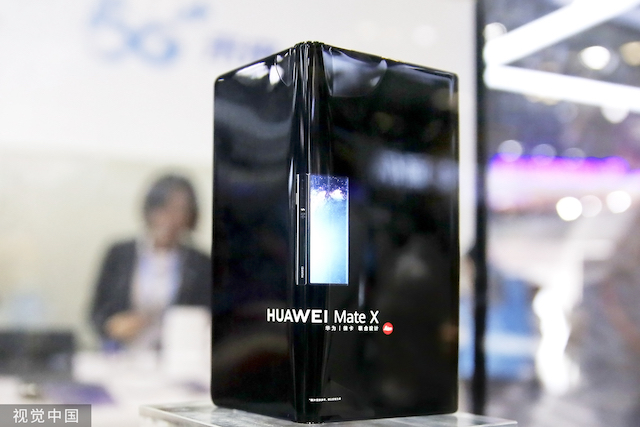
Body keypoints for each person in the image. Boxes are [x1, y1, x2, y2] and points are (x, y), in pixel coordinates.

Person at [90, 174, 211, 350]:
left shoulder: (200, 263)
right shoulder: (119, 253)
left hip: (178, 354)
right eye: (164, 208)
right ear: (150, 209)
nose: (171, 218)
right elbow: (96, 311)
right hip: (122, 352)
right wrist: (112, 325)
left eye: (180, 210)